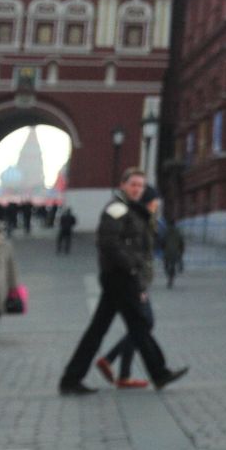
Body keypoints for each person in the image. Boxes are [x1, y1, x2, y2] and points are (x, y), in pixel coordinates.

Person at [58, 169, 186, 395]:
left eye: (141, 186)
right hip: (120, 277)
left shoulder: (132, 210)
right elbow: (109, 243)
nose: (137, 189)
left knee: (106, 328)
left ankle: (71, 377)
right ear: (123, 185)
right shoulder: (117, 208)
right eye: (133, 184)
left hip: (120, 277)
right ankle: (159, 372)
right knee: (139, 323)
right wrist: (132, 268)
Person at [99, 190, 163, 388]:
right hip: (132, 281)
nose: (156, 206)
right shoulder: (137, 221)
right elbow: (136, 255)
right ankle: (111, 362)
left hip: (133, 280)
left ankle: (120, 372)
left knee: (139, 326)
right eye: (154, 202)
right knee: (144, 324)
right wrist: (139, 284)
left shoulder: (145, 219)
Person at [162, 218, 185, 288]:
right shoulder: (178, 232)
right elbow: (181, 242)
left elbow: (162, 241)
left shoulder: (166, 231)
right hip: (175, 252)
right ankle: (171, 279)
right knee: (172, 266)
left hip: (167, 252)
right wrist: (181, 250)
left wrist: (162, 248)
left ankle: (169, 275)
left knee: (166, 265)